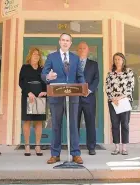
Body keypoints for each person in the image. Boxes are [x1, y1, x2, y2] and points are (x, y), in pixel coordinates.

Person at [41, 33, 86, 164]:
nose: (65, 42)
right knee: (56, 125)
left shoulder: (75, 58)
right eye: (63, 40)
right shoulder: (51, 57)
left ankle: (75, 153)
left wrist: (83, 86)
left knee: (73, 125)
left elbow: (80, 75)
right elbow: (44, 74)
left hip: (73, 97)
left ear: (70, 43)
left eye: (68, 41)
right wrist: (48, 77)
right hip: (56, 96)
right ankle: (55, 154)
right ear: (59, 42)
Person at [19, 48, 47, 156]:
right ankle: (27, 146)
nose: (36, 56)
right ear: (30, 56)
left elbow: (45, 82)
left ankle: (37, 146)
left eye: (38, 55)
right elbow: (21, 82)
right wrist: (28, 93)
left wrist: (44, 92)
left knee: (39, 122)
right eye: (34, 54)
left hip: (40, 97)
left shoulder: (42, 69)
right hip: (28, 97)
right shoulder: (25, 68)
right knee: (27, 121)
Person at [105, 52, 135, 155]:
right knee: (115, 124)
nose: (117, 61)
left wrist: (120, 97)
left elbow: (130, 87)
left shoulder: (129, 72)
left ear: (123, 60)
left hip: (125, 101)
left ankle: (124, 147)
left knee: (125, 124)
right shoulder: (110, 73)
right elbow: (107, 87)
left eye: (119, 59)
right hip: (113, 102)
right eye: (116, 59)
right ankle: (117, 147)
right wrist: (113, 98)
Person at [76, 41, 99, 155]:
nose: (81, 50)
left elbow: (96, 80)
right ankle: (75, 147)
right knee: (75, 124)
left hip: (89, 98)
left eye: (84, 48)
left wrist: (89, 90)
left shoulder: (94, 64)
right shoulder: (73, 64)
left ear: (88, 50)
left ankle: (91, 147)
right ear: (77, 50)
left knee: (90, 123)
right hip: (75, 99)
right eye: (79, 48)